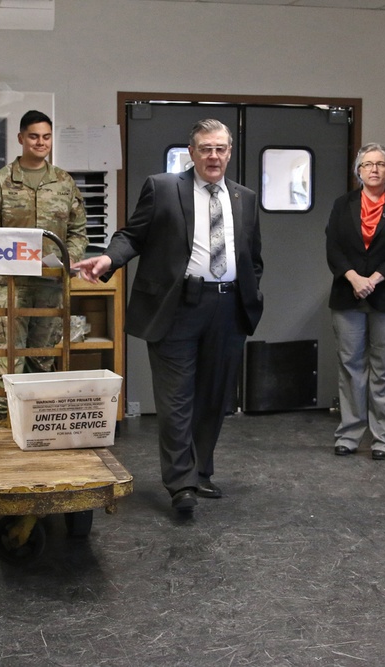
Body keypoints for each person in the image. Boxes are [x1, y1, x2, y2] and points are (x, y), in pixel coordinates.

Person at [74, 118, 264, 515]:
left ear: (229, 152)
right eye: (206, 148)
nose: (214, 156)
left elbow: (253, 257)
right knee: (177, 398)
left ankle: (201, 472)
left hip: (228, 308)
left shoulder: (244, 197)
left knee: (214, 399)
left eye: (221, 149)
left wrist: (251, 291)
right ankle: (180, 484)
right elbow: (132, 236)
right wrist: (109, 259)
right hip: (177, 306)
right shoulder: (162, 188)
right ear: (191, 153)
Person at [0, 110, 87, 420]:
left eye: (46, 137)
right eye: (34, 136)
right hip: (10, 284)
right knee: (7, 360)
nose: (41, 142)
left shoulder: (64, 183)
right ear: (21, 138)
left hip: (50, 283)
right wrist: (18, 258)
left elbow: (78, 233)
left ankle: (37, 427)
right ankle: (0, 430)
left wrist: (70, 258)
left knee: (42, 358)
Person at [325, 143, 385, 460]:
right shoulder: (343, 204)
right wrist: (354, 278)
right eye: (368, 164)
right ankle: (349, 435)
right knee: (351, 367)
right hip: (348, 295)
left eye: (381, 164)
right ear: (358, 171)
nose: (374, 169)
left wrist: (374, 279)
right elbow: (333, 248)